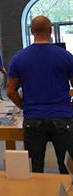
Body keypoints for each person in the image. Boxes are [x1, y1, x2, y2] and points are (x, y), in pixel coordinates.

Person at [7, 16, 73, 174]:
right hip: (63, 118)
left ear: (31, 31)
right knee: (67, 168)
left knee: (36, 169)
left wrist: (25, 106)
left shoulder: (18, 58)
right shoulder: (65, 56)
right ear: (50, 30)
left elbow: (10, 91)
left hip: (33, 119)